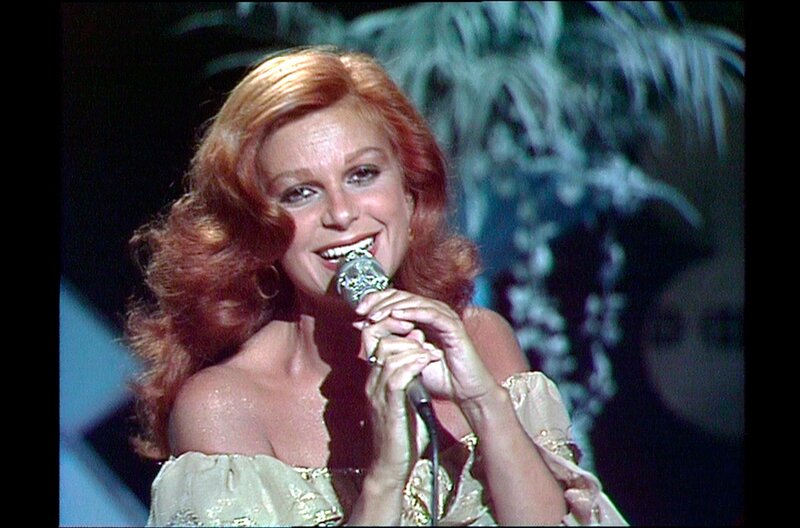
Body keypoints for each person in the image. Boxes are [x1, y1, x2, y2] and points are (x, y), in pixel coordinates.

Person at [127, 45, 627, 526]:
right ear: (257, 230)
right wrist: (386, 478)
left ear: (410, 195)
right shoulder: (225, 407)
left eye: (363, 174)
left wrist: (484, 403)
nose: (342, 214)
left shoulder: (484, 341)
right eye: (300, 193)